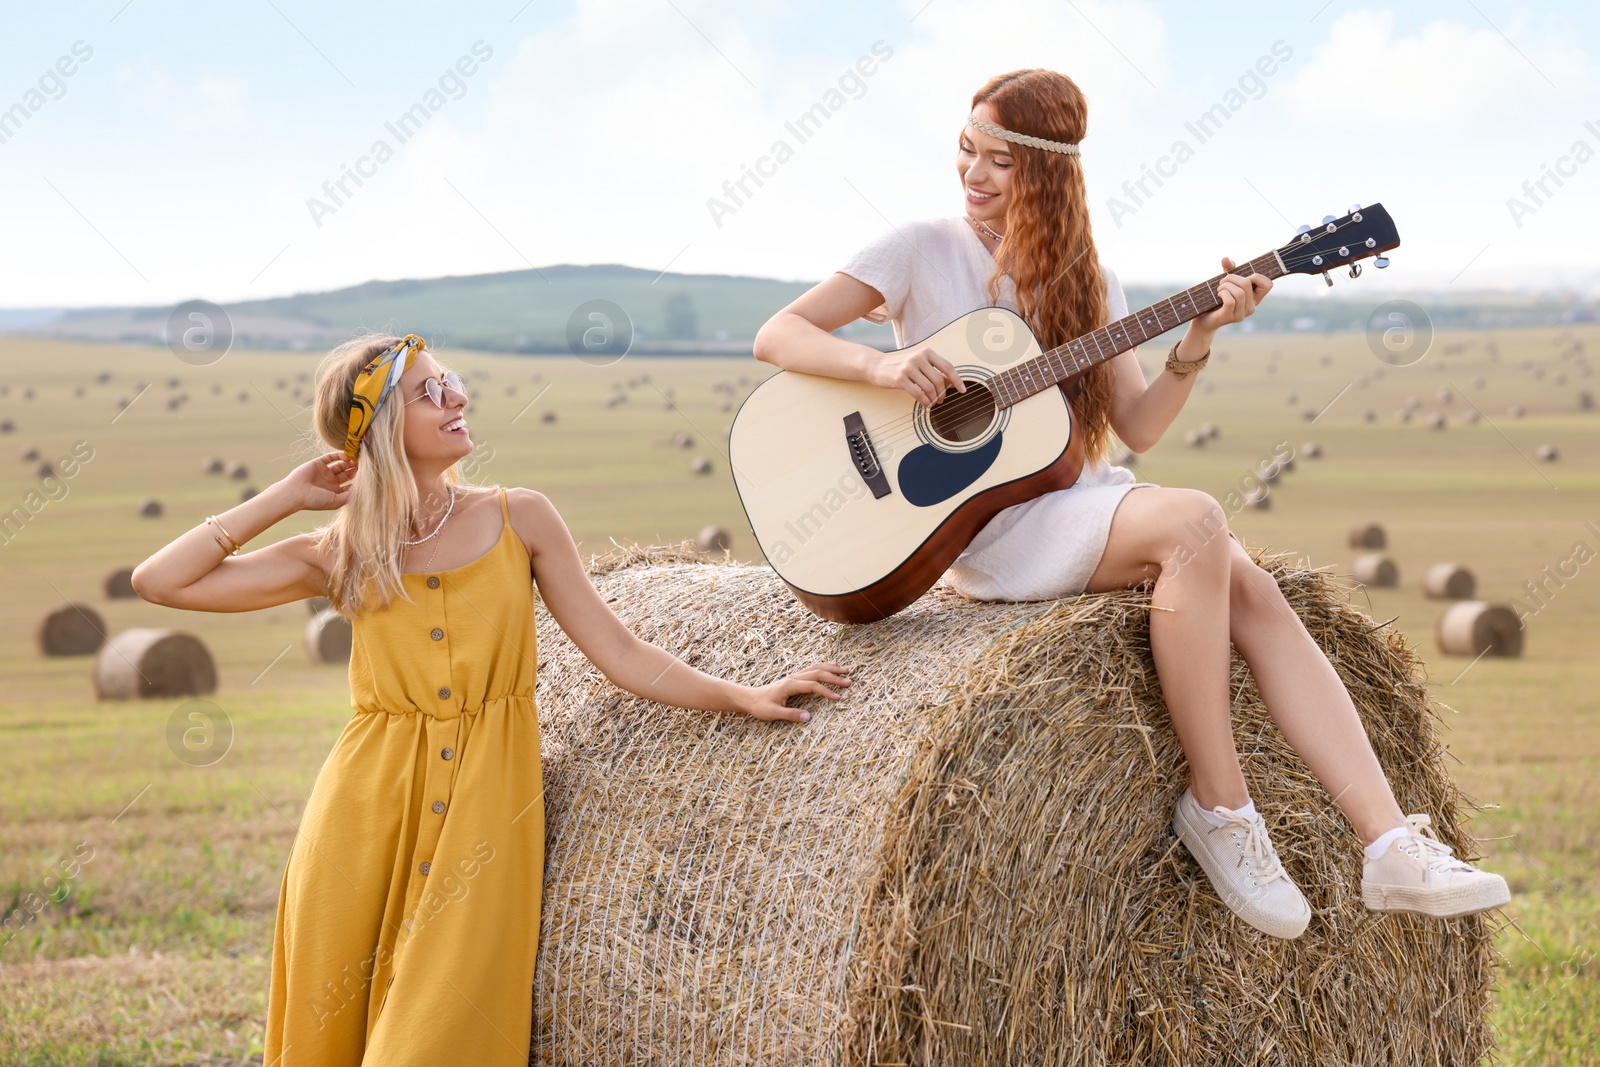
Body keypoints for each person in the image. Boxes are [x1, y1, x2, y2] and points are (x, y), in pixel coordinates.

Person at [751, 69, 1507, 939]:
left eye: (1000, 161)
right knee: (1195, 523)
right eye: (966, 150)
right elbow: (780, 334)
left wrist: (1199, 337)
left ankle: (1389, 845)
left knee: (1249, 585)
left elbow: (1139, 427)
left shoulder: (1087, 279)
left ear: (1050, 173)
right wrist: (883, 367)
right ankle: (1221, 805)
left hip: (1072, 498)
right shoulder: (920, 245)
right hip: (984, 525)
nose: (975, 174)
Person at [130, 333, 851, 1065]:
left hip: (486, 820)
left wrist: (742, 695)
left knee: (436, 1038)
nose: (457, 398)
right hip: (361, 818)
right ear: (381, 429)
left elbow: (622, 652)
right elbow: (162, 581)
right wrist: (288, 495)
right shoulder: (341, 549)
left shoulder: (521, 518)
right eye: (430, 392)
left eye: (454, 382)